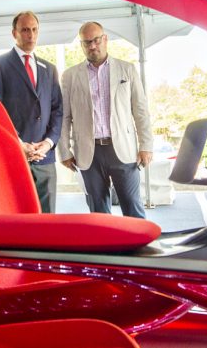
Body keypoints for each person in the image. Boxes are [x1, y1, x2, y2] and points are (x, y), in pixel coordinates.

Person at [58, 21, 153, 218]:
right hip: (88, 153)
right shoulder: (69, 76)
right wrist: (65, 152)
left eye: (96, 40)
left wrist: (146, 145)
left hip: (123, 150)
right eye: (86, 42)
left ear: (105, 39)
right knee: (98, 213)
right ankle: (105, 248)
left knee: (133, 208)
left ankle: (141, 246)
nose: (92, 46)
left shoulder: (127, 70)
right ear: (82, 45)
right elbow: (64, 117)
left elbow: (141, 110)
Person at [0, 11, 63, 213]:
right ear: (14, 33)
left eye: (34, 30)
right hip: (13, 156)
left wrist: (48, 143)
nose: (31, 35)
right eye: (25, 30)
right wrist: (19, 144)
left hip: (45, 157)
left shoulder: (49, 68)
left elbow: (57, 111)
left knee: (47, 222)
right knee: (18, 219)